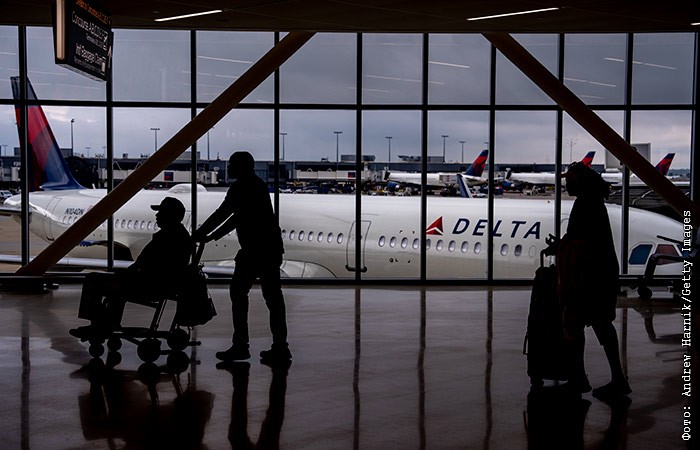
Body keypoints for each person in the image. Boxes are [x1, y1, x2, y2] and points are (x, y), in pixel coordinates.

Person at [193, 151, 290, 364]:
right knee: (273, 298)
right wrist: (210, 235)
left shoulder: (241, 187)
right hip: (269, 249)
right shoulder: (257, 185)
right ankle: (280, 347)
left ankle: (241, 345)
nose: (228, 168)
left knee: (238, 294)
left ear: (240, 167)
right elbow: (236, 217)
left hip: (254, 250)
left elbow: (224, 213)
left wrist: (202, 234)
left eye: (231, 164)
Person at [557, 162, 631, 398]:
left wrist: (563, 250)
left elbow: (580, 243)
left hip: (587, 277)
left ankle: (580, 379)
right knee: (601, 325)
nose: (566, 184)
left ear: (579, 183)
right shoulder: (594, 202)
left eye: (569, 180)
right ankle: (616, 379)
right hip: (600, 275)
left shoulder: (584, 205)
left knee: (574, 325)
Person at [70, 196, 191, 338]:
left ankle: (99, 325)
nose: (157, 215)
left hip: (150, 285)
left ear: (170, 216)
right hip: (158, 284)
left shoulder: (166, 238)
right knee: (110, 286)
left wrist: (127, 274)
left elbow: (147, 265)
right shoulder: (179, 236)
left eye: (161, 212)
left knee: (93, 280)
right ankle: (104, 324)